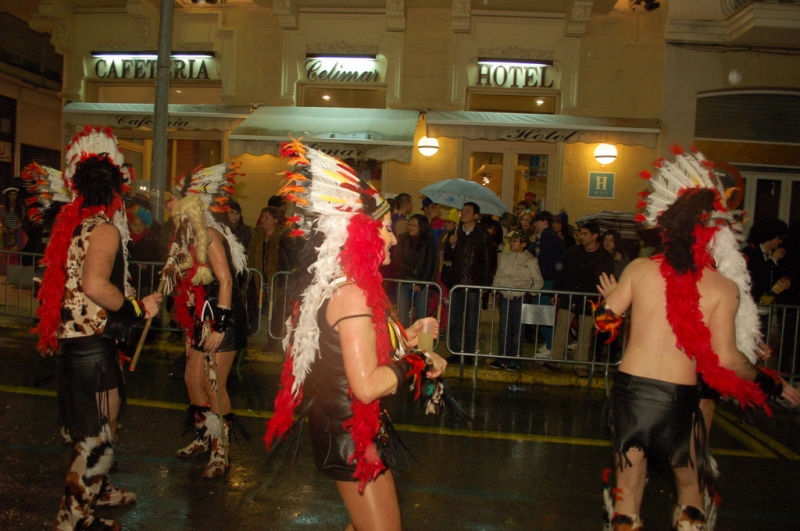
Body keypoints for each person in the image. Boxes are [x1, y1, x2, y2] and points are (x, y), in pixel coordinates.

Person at [597, 146, 800, 531]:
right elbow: (727, 359)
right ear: (712, 234)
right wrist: (768, 380)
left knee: (626, 495)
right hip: (680, 399)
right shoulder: (722, 287)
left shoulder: (640, 269)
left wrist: (608, 304)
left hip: (631, 394)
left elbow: (605, 322)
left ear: (665, 227)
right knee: (690, 490)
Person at [264, 142, 447, 531]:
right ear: (362, 233)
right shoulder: (352, 294)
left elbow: (358, 350)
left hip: (351, 427)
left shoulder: (346, 285)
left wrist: (407, 340)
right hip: (348, 432)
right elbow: (365, 386)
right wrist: (419, 361)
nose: (394, 239)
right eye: (385, 229)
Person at [33, 126, 163, 531]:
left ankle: (98, 492)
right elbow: (95, 285)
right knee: (97, 439)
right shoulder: (102, 229)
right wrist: (138, 307)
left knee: (94, 431)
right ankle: (73, 518)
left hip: (77, 347)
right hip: (93, 351)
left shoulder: (72, 228)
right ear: (114, 193)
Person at [169, 162, 249, 479]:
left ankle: (221, 450)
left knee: (214, 385)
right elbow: (191, 287)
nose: (169, 203)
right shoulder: (187, 235)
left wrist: (219, 326)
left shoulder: (211, 234)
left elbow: (225, 281)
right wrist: (191, 328)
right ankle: (204, 437)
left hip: (223, 317)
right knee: (192, 379)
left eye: (174, 198)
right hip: (202, 318)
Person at [548, 221, 614, 378]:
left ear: (595, 236)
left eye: (585, 234)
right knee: (561, 329)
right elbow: (562, 273)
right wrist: (556, 293)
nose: (581, 236)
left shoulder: (603, 256)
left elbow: (607, 278)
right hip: (570, 295)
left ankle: (580, 364)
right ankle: (555, 359)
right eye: (580, 233)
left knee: (584, 334)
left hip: (590, 299)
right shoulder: (573, 251)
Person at [443, 201, 492, 358]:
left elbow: (487, 260)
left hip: (473, 283)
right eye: (462, 211)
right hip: (456, 282)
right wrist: (451, 245)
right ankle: (455, 351)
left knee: (471, 321)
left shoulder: (482, 235)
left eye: (468, 211)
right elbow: (448, 258)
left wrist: (486, 284)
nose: (463, 213)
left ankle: (470, 353)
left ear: (475, 216)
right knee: (454, 320)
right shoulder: (455, 233)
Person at [490, 229, 543, 371]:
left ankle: (515, 358)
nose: (512, 243)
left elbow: (538, 281)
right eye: (511, 241)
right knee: (504, 329)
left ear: (523, 244)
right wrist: (497, 290)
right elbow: (499, 275)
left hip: (519, 297)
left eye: (515, 241)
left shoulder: (530, 260)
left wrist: (528, 295)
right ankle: (502, 357)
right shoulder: (505, 257)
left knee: (518, 329)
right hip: (505, 296)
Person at [530, 210, 565, 356]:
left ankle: (552, 346)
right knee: (541, 312)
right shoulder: (548, 236)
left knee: (541, 312)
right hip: (547, 279)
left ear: (544, 222)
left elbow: (546, 260)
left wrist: (539, 276)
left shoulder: (547, 236)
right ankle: (550, 343)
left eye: (538, 221)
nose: (536, 225)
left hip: (546, 280)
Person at [392, 213, 437, 327]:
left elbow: (430, 264)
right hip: (404, 279)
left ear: (421, 227)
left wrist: (421, 282)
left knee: (422, 315)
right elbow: (397, 260)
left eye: (414, 225)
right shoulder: (402, 238)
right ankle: (405, 341)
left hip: (421, 282)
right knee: (402, 314)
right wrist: (412, 272)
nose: (410, 227)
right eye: (409, 224)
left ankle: (421, 342)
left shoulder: (428, 240)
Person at [742, 218, 789, 303]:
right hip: (751, 303)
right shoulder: (750, 252)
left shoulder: (779, 254)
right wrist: (772, 261)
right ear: (770, 236)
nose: (781, 241)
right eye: (779, 237)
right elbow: (754, 274)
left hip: (770, 305)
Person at [126, 203, 161, 296]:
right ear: (129, 225)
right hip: (131, 280)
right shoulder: (125, 239)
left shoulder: (151, 239)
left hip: (146, 281)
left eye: (141, 224)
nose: (138, 227)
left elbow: (155, 256)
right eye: (134, 224)